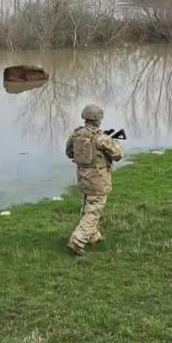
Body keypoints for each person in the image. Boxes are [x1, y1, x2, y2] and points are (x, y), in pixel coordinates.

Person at [65, 104, 123, 256]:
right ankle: (78, 240)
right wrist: (114, 143)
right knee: (94, 210)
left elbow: (69, 153)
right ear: (97, 119)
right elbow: (117, 155)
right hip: (98, 180)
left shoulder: (76, 134)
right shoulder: (101, 138)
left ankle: (92, 235)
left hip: (83, 178)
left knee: (87, 206)